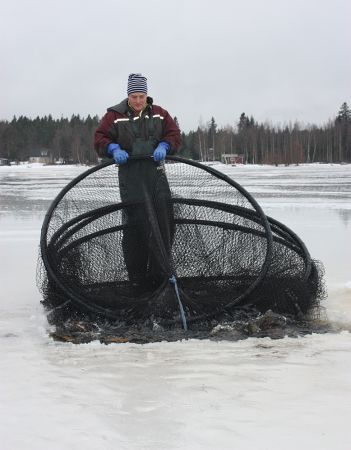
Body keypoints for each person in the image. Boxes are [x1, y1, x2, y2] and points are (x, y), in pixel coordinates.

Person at [94, 73, 181, 291]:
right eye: (134, 96)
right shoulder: (113, 116)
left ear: (147, 95)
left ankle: (160, 276)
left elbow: (174, 135)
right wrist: (112, 148)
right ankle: (137, 279)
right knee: (135, 230)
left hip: (157, 179)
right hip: (130, 181)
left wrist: (165, 146)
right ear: (128, 96)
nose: (138, 100)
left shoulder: (160, 114)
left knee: (163, 227)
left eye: (142, 96)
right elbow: (99, 138)